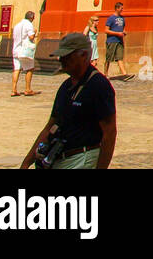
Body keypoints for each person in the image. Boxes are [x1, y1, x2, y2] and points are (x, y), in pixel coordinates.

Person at [20, 32, 116, 169]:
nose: (62, 60)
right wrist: (26, 162)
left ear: (83, 55)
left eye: (67, 56)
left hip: (81, 157)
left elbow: (109, 132)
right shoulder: (66, 86)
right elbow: (50, 126)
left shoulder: (98, 85)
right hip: (59, 158)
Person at [11, 10, 39, 97]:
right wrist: (35, 31)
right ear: (31, 18)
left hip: (16, 49)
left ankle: (14, 89)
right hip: (24, 50)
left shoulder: (17, 25)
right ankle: (27, 89)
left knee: (17, 69)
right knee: (30, 68)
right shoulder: (28, 24)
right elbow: (31, 36)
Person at [104, 2, 129, 80]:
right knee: (109, 59)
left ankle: (124, 74)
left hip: (119, 41)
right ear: (117, 8)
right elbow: (106, 30)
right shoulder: (111, 18)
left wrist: (124, 32)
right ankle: (105, 74)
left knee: (119, 58)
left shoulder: (122, 18)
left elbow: (123, 28)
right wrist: (117, 33)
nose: (122, 9)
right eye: (121, 8)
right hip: (112, 41)